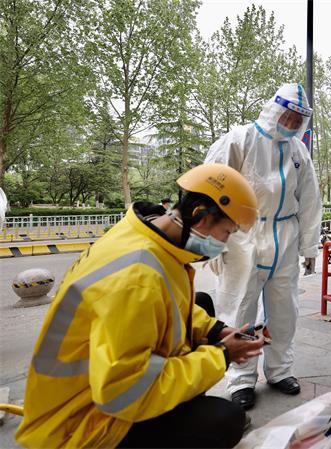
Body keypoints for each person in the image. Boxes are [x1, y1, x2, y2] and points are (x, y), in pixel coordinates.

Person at [16, 164, 265, 448]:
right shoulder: (136, 277)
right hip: (81, 424)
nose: (225, 243)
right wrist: (221, 356)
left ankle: (178, 406)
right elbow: (122, 394)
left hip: (87, 388)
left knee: (202, 304)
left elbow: (171, 300)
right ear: (199, 215)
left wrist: (216, 330)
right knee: (224, 420)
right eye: (226, 232)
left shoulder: (144, 233)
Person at [204, 83, 322, 410]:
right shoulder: (239, 140)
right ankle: (241, 379)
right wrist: (213, 242)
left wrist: (309, 247)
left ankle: (280, 370)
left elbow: (310, 201)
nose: (291, 121)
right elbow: (210, 185)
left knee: (285, 311)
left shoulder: (298, 152)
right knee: (239, 308)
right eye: (287, 114)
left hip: (285, 234)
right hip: (243, 235)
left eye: (298, 118)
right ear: (273, 109)